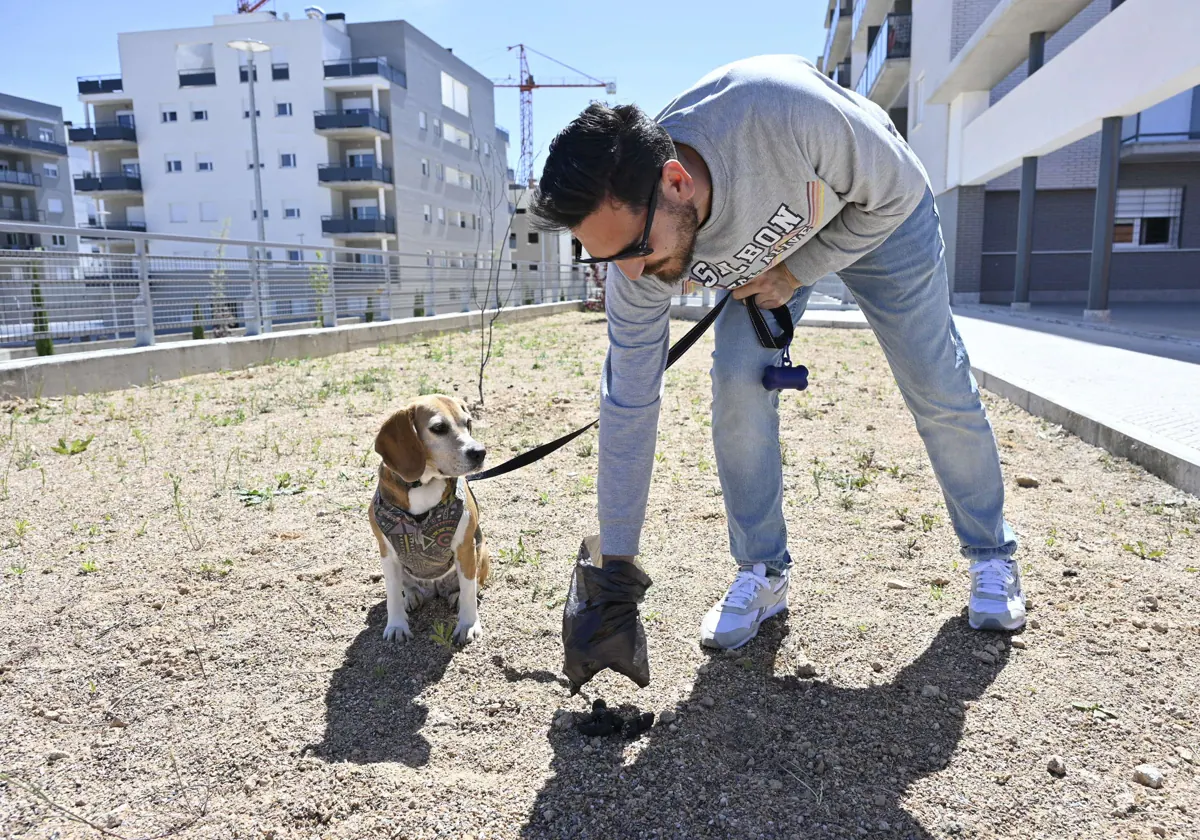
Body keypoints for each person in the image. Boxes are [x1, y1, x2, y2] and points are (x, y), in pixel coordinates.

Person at [529, 54, 1024, 650]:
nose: (634, 273)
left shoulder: (783, 111)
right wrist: (615, 571)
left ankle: (991, 554)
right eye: (608, 259)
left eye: (637, 247)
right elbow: (629, 402)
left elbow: (897, 190)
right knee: (738, 382)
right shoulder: (632, 262)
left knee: (934, 378)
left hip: (880, 216)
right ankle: (762, 571)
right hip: (771, 253)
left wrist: (797, 270)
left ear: (677, 183)